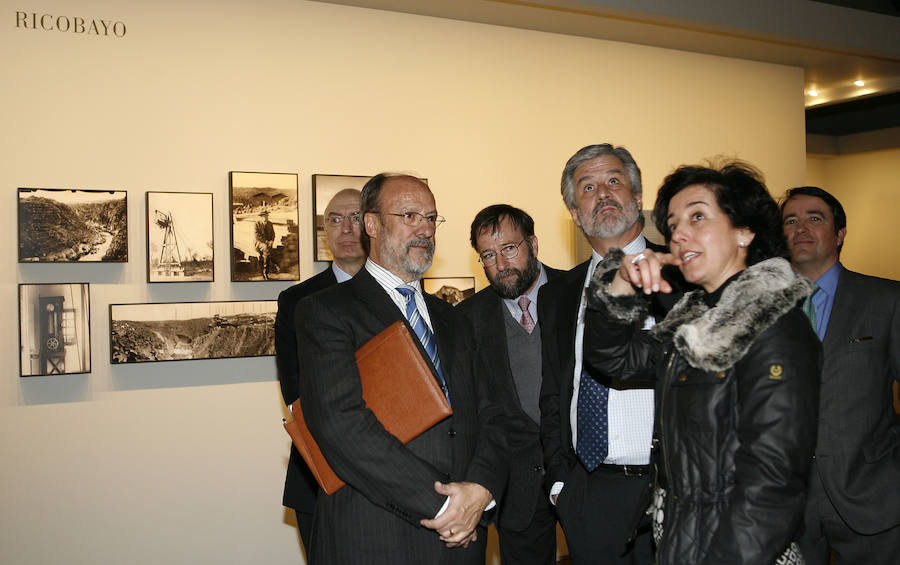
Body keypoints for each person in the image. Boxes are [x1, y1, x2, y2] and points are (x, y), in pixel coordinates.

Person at [583, 161, 821, 564]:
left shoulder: (774, 324)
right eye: (673, 224)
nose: (679, 234)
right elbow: (615, 360)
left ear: (744, 230)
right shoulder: (694, 320)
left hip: (740, 548)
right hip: (683, 539)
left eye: (698, 217)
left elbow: (772, 480)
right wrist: (620, 286)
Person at [294, 173, 508, 564]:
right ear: (372, 225)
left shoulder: (455, 318)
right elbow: (342, 426)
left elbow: (493, 413)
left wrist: (481, 490)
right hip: (377, 535)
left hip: (463, 538)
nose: (425, 229)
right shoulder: (325, 311)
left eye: (431, 218)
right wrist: (444, 508)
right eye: (410, 215)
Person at [539, 143, 679, 564]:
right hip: (588, 492)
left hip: (668, 486)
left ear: (637, 198)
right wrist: (561, 483)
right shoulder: (557, 295)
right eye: (588, 187)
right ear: (576, 213)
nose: (602, 194)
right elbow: (553, 391)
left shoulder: (685, 276)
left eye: (613, 181)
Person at [781, 186, 900, 565]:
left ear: (840, 233)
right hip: (786, 501)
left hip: (873, 495)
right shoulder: (763, 310)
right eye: (790, 220)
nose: (801, 228)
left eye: (815, 218)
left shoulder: (886, 300)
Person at [457, 204, 562, 565]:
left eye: (510, 249)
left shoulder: (577, 290)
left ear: (533, 243)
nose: (500, 264)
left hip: (584, 475)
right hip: (517, 484)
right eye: (488, 255)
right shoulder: (467, 318)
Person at [275, 188, 366, 557]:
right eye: (334, 219)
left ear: (373, 224)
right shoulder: (297, 301)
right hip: (321, 471)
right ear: (323, 231)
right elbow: (295, 390)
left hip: (400, 473)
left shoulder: (403, 294)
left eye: (355, 217)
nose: (345, 228)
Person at [255, 209, 276, 279]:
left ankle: (270, 267)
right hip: (259, 243)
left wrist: (272, 241)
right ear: (261, 217)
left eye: (267, 216)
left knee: (268, 251)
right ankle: (265, 272)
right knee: (267, 250)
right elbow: (257, 236)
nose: (266, 218)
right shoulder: (257, 224)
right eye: (264, 216)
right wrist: (267, 242)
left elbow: (273, 234)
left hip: (268, 243)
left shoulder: (270, 223)